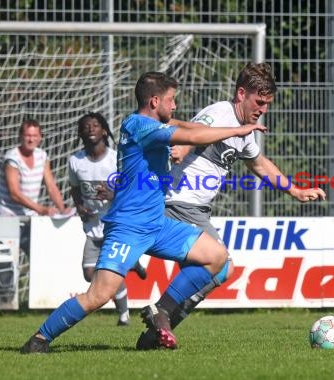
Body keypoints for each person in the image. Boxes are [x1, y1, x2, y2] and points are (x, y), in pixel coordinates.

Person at [20, 71, 268, 354]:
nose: (174, 106)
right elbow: (193, 134)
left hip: (157, 224)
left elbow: (185, 125)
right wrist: (237, 130)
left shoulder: (151, 123)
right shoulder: (139, 125)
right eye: (171, 100)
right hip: (129, 226)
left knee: (217, 258)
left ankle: (161, 311)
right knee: (99, 295)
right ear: (154, 101)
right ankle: (39, 340)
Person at [136, 62, 326, 350]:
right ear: (241, 94)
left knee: (223, 270)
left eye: (267, 104)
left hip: (196, 209)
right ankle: (161, 312)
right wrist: (184, 148)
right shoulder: (220, 113)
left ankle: (157, 331)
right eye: (259, 102)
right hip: (179, 203)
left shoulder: (245, 132)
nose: (263, 109)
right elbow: (193, 130)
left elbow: (259, 164)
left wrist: (296, 191)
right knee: (221, 263)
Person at [68, 112, 147, 327]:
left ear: (104, 130)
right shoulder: (75, 161)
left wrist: (113, 195)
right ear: (81, 133)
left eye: (95, 125)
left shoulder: (115, 159)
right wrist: (80, 207)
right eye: (86, 126)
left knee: (109, 273)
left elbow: (131, 188)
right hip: (92, 228)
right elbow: (75, 188)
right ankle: (133, 264)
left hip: (115, 226)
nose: (91, 129)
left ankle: (124, 315)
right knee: (89, 275)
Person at [0, 119, 71, 217]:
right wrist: (41, 209)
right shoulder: (12, 158)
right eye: (28, 136)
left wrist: (62, 211)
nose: (31, 140)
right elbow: (14, 193)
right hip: (9, 216)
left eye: (35, 136)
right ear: (20, 136)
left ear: (40, 137)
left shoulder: (42, 156)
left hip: (31, 215)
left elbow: (51, 187)